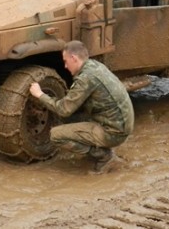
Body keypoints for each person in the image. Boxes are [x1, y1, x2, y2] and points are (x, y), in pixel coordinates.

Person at [29, 40, 134, 173]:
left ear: (73, 58)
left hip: (115, 131)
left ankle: (104, 156)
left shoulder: (86, 78)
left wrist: (39, 95)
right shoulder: (95, 66)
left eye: (66, 61)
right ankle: (102, 146)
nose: (65, 66)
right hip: (121, 123)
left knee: (55, 134)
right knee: (71, 120)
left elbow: (64, 110)